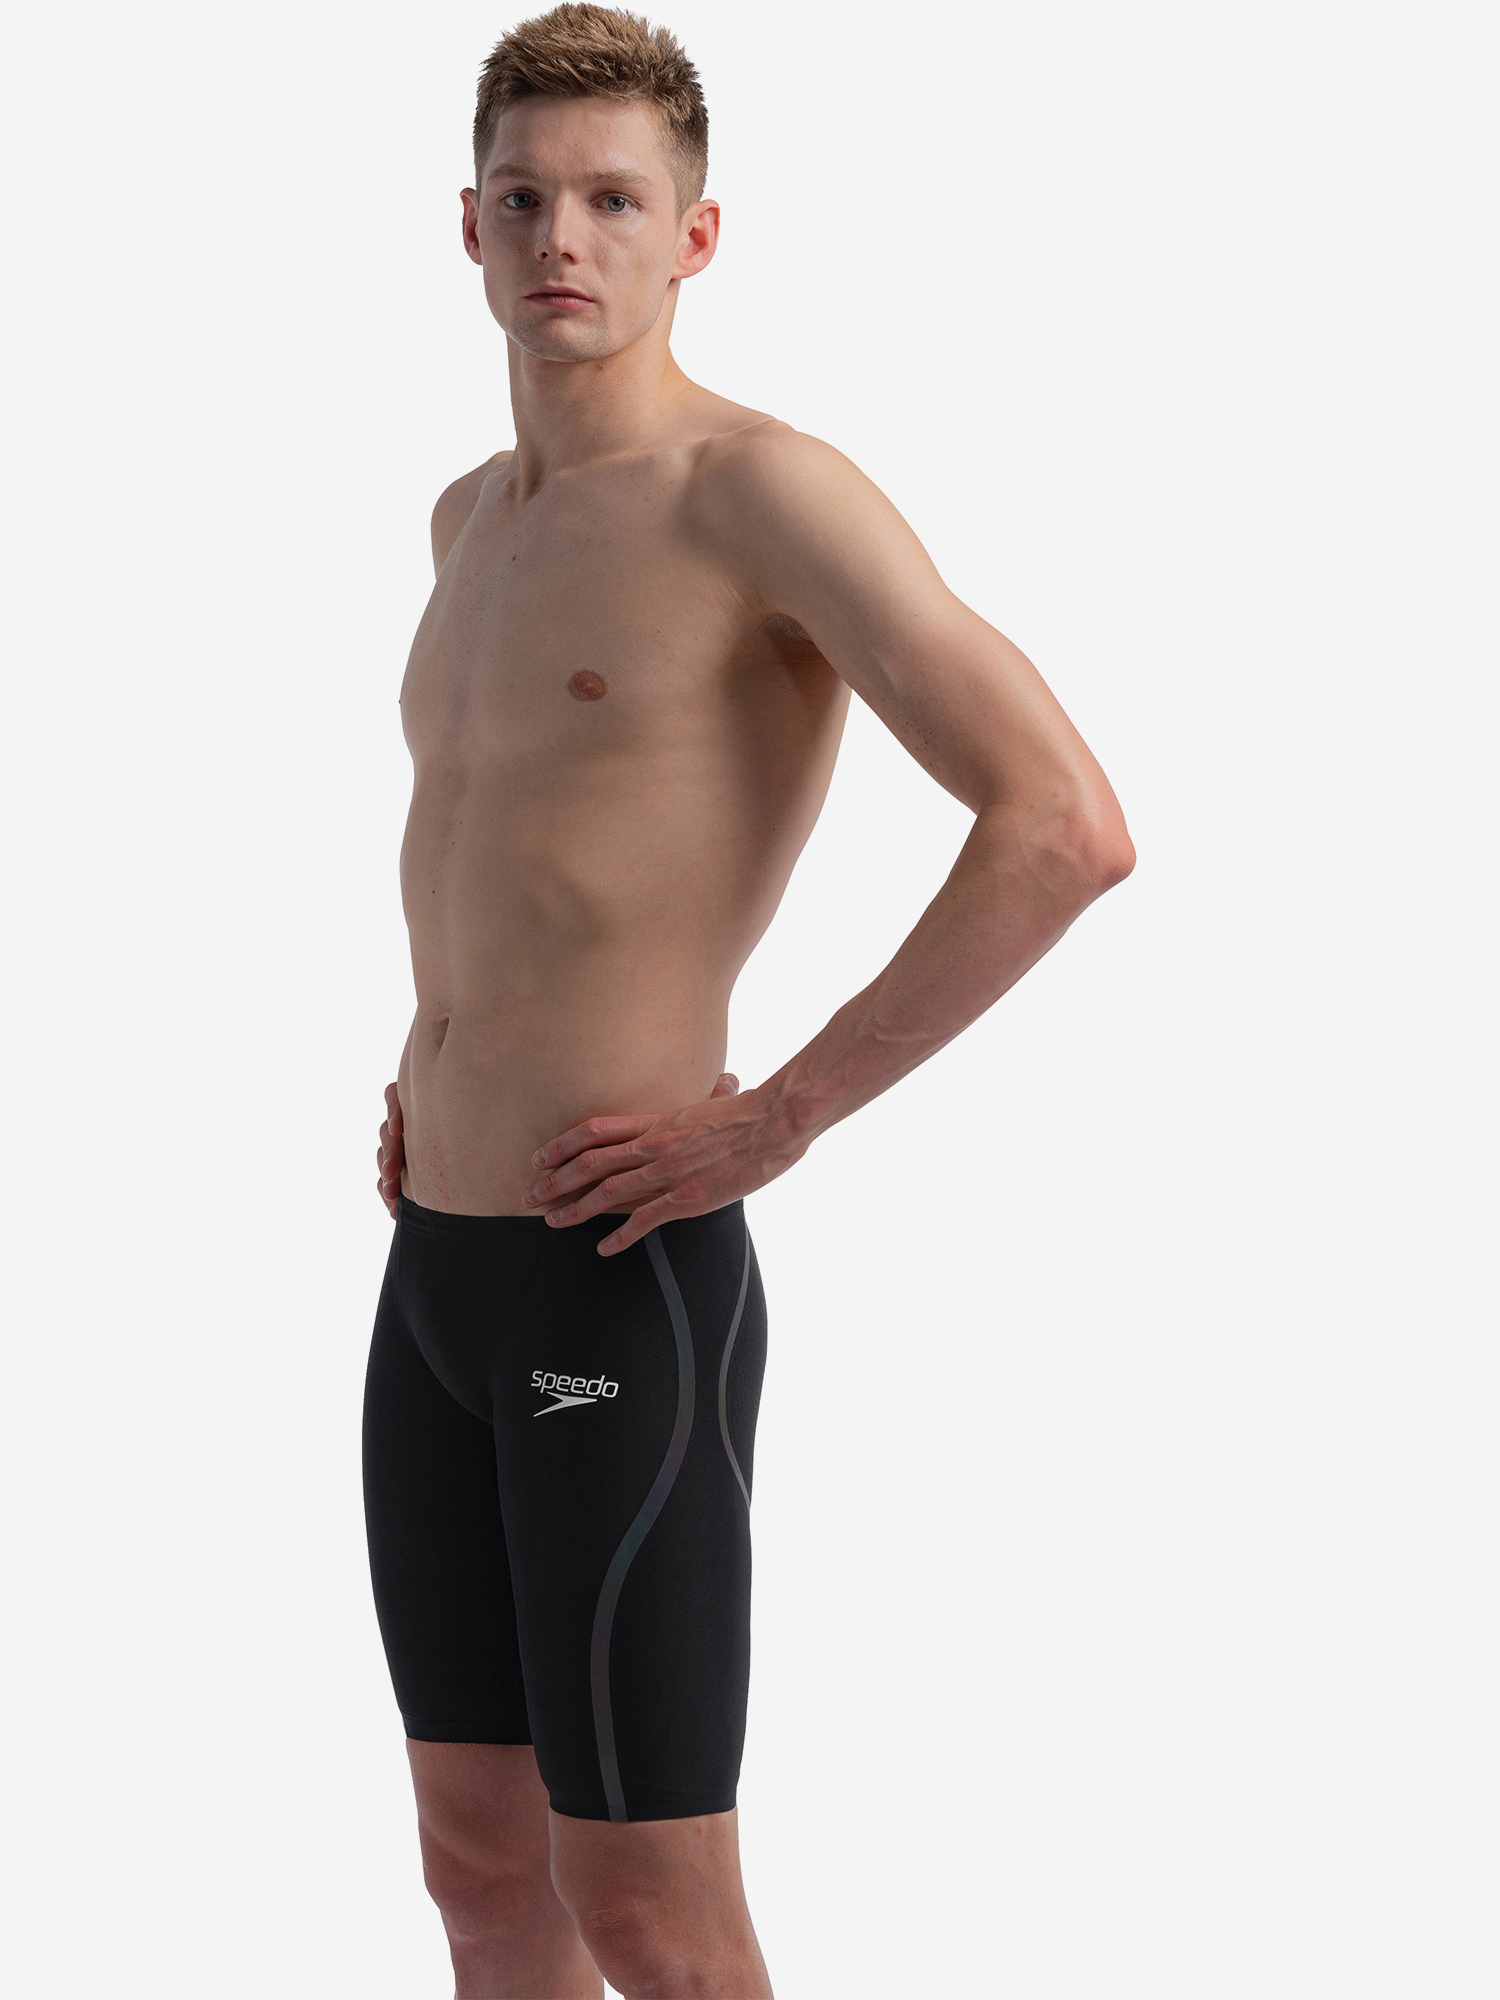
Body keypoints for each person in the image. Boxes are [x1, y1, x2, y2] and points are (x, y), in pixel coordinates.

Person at [364, 6, 1134, 1994]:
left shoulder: (762, 495)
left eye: (615, 200)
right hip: (436, 1272)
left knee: (651, 1908)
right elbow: (515, 856)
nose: (563, 238)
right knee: (477, 1866)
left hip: (613, 1270)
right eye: (524, 198)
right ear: (466, 223)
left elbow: (1063, 824)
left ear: (696, 235)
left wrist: (777, 1115)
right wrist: (433, 1067)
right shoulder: (469, 519)